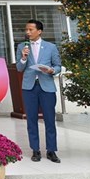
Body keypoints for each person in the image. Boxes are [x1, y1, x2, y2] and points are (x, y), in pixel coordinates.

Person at [16, 19, 62, 163]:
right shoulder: (22, 46)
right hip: (29, 87)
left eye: (31, 29)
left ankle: (51, 150)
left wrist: (52, 70)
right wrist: (23, 58)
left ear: (39, 31)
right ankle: (35, 150)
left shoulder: (51, 47)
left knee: (49, 119)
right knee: (31, 120)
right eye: (26, 30)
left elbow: (58, 66)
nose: (27, 32)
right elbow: (19, 68)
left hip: (46, 87)